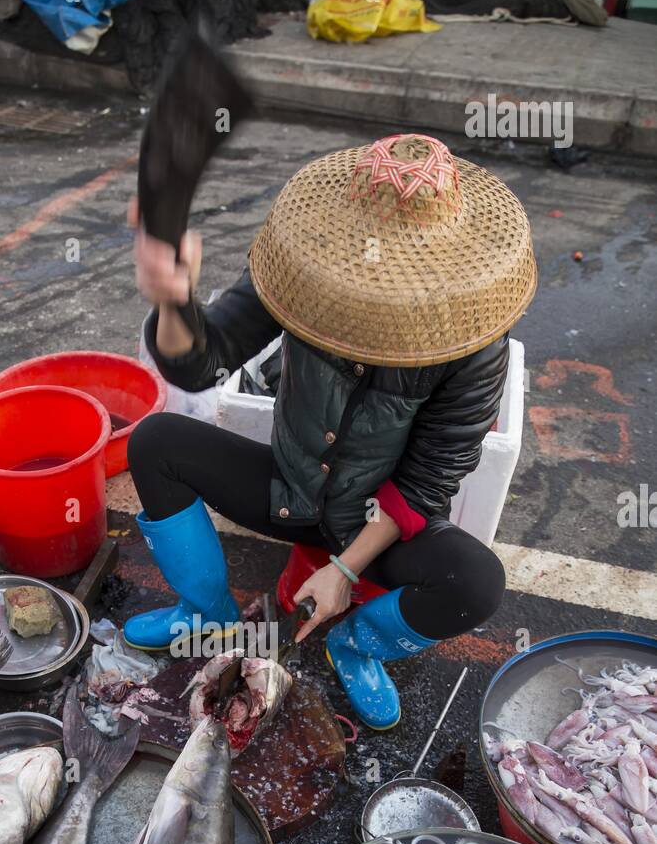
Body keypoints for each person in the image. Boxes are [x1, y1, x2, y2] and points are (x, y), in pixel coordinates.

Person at [123, 133, 537, 730]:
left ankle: (358, 645)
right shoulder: (310, 269)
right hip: (288, 490)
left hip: (382, 523)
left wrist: (345, 572)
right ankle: (206, 615)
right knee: (155, 441)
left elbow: (428, 482)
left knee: (476, 581)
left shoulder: (473, 339)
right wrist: (175, 300)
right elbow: (203, 365)